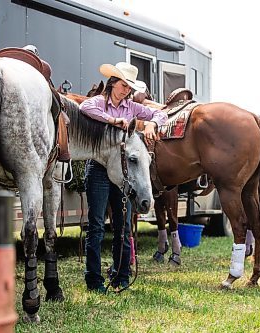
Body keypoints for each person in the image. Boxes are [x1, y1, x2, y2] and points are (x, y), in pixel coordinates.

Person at [80, 62, 167, 293]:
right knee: (96, 226)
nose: (126, 91)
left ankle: (122, 276)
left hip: (124, 170)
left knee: (123, 226)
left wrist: (151, 124)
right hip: (99, 167)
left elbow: (161, 114)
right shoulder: (99, 102)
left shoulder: (132, 107)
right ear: (112, 83)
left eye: (129, 88)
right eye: (123, 85)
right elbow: (84, 108)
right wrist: (113, 121)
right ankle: (94, 279)